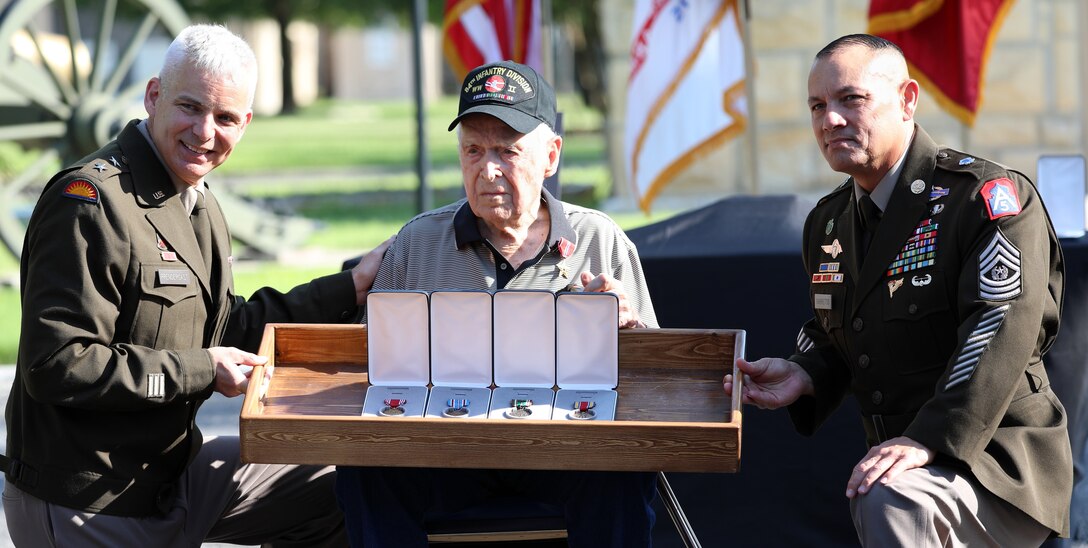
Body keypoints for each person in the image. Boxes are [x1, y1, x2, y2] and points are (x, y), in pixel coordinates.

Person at [3, 24, 390, 546]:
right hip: (93, 499)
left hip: (171, 474)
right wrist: (203, 371)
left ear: (246, 123)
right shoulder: (89, 202)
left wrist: (352, 288)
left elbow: (227, 324)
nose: (205, 133)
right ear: (153, 96)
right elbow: (58, 365)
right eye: (190, 107)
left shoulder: (195, 200)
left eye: (226, 117)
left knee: (352, 484)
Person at [723, 34, 1072, 545]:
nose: (830, 120)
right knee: (886, 490)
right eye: (817, 106)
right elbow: (842, 330)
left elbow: (999, 328)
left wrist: (929, 438)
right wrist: (804, 372)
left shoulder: (985, 199)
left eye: (851, 99)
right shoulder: (827, 224)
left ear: (907, 100)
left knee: (887, 496)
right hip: (909, 464)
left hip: (998, 465)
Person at [334, 60, 659, 547]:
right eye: (473, 150)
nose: (487, 170)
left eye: (507, 151)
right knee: (368, 469)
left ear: (551, 156)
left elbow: (657, 375)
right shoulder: (418, 243)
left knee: (622, 469)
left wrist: (627, 333)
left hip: (563, 449)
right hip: (447, 449)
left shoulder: (600, 238)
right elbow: (368, 367)